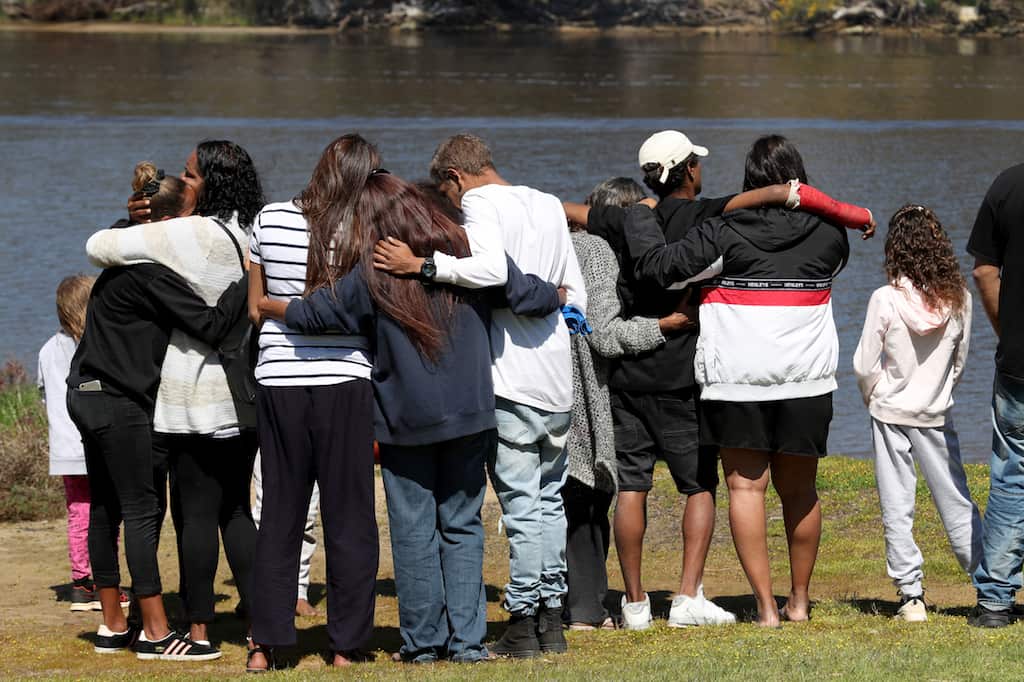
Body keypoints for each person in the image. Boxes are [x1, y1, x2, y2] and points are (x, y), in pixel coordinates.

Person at [564, 130, 874, 630]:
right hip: (807, 379)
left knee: (745, 491)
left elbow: (667, 270)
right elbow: (831, 257)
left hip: (736, 381)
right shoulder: (830, 236)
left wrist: (639, 222)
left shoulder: (724, 231)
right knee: (801, 492)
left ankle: (766, 611)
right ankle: (797, 600)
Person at [261, 170, 562, 665]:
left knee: (413, 528)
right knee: (463, 526)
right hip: (470, 411)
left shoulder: (376, 269)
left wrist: (270, 305)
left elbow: (317, 313)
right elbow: (523, 291)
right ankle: (467, 643)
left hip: (404, 418)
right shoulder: (467, 254)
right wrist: (560, 296)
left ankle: (423, 643)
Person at [373, 133, 587, 658]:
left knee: (520, 509)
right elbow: (573, 293)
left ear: (455, 178)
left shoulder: (479, 204)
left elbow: (491, 271)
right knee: (549, 501)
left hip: (512, 376)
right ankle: (552, 619)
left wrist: (423, 267)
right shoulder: (544, 202)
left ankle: (524, 620)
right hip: (557, 375)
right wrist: (551, 299)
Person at [87, 149, 264, 650]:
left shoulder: (188, 231)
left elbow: (99, 246)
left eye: (190, 173)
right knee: (237, 511)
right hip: (242, 390)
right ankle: (257, 623)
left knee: (197, 514)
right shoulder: (250, 228)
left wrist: (133, 217)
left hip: (189, 395)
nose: (183, 181)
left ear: (208, 182)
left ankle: (200, 630)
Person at [245, 134, 380, 670]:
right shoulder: (366, 229)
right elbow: (364, 311)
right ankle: (345, 644)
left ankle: (267, 642)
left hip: (278, 379)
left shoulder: (270, 217)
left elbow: (257, 307)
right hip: (346, 379)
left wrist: (283, 309)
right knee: (350, 515)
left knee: (280, 511)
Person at [562, 177, 692, 630]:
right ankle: (586, 609)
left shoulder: (565, 245)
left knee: (582, 494)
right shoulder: (595, 252)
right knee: (585, 493)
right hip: (582, 390)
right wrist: (664, 326)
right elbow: (604, 332)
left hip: (553, 383)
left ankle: (587, 601)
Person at [853, 205, 982, 622]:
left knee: (897, 504)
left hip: (891, 412)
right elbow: (960, 361)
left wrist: (875, 396)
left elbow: (863, 365)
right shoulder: (960, 298)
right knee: (957, 502)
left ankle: (911, 597)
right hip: (935, 415)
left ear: (896, 248)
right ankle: (988, 584)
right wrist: (940, 393)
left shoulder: (884, 299)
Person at [967, 163, 1024, 628]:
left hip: (1019, 364)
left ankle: (995, 603)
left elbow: (985, 272)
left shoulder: (1007, 184)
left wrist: (1008, 334)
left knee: (1011, 477)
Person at [38, 274, 99, 612]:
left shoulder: (48, 349)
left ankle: (81, 580)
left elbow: (45, 393)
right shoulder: (94, 346)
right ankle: (102, 579)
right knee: (104, 511)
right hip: (93, 440)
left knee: (78, 512)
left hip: (64, 445)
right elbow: (90, 388)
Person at [251, 451, 321, 617]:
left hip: (315, 431)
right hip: (269, 433)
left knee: (306, 515)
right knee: (266, 511)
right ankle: (257, 591)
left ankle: (298, 591)